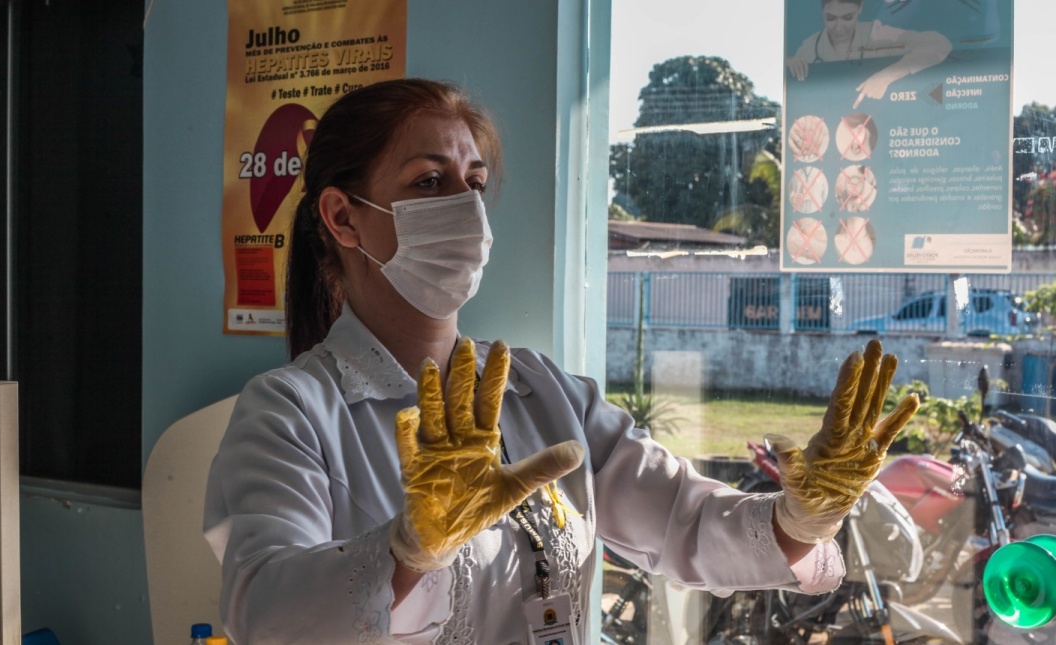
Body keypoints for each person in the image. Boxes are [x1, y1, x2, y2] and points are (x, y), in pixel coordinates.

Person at [203, 78, 919, 645]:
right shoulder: (290, 411)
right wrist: (408, 551)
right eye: (428, 182)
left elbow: (683, 522)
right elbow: (264, 610)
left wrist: (802, 517)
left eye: (474, 183)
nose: (466, 208)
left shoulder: (541, 392)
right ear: (342, 216)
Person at [786, 0, 952, 108]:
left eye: (847, 17)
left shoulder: (876, 34)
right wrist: (789, 63)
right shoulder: (809, 48)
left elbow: (939, 44)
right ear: (822, 13)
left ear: (860, 9)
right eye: (830, 18)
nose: (839, 27)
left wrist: (886, 76)